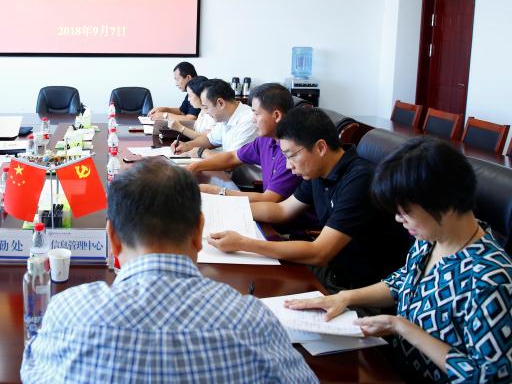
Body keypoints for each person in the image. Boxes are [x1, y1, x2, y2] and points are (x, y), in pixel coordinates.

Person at [21, 157, 316, 383]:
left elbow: (32, 372)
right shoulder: (253, 321)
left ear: (113, 238)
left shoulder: (70, 313)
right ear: (199, 232)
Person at [285, 137, 512, 383]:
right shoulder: (431, 238)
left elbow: (487, 376)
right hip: (394, 367)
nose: (398, 219)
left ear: (444, 204)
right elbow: (404, 281)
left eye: (406, 212)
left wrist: (402, 327)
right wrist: (344, 297)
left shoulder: (491, 280)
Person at [208, 106, 411, 291]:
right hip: (332, 272)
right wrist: (221, 206)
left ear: (320, 148)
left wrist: (243, 244)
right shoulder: (319, 171)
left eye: (291, 155)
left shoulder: (360, 180)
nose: (288, 165)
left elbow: (319, 252)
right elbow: (282, 210)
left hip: (360, 288)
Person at [186, 83, 302, 203]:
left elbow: (270, 199)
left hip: (269, 206)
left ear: (276, 115)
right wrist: (193, 167)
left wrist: (218, 192)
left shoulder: (291, 152)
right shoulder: (264, 140)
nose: (253, 119)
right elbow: (232, 157)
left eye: (256, 114)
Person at [172, 79, 257, 158]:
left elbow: (233, 158)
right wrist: (187, 145)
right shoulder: (225, 117)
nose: (206, 112)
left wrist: (201, 152)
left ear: (220, 103)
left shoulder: (248, 120)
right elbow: (210, 140)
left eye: (206, 107)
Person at [165, 76, 214, 140]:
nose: (188, 99)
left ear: (201, 95)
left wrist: (180, 128)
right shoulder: (202, 111)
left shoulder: (211, 114)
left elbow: (206, 139)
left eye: (190, 95)